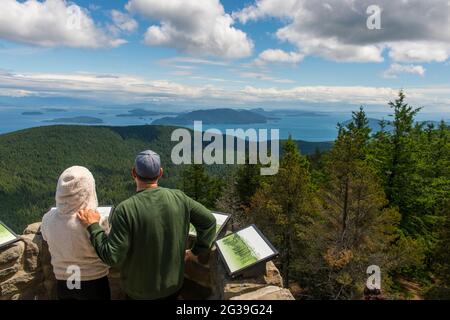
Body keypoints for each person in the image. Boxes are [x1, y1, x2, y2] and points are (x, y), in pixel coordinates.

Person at [77, 150, 216, 300]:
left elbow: (112, 257)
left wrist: (93, 226)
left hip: (138, 292)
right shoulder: (179, 198)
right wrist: (195, 251)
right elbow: (209, 221)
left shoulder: (126, 209)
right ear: (160, 173)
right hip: (173, 287)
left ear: (134, 173)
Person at [41, 166, 110, 300]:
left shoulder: (48, 219)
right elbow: (106, 248)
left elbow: (44, 236)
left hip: (64, 281)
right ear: (88, 190)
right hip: (94, 282)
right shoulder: (97, 220)